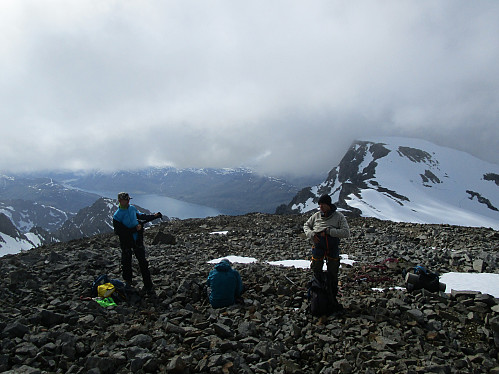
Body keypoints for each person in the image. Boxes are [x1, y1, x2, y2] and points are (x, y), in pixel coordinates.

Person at [303, 194, 350, 312]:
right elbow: (306, 226)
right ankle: (316, 297)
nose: (321, 207)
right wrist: (312, 235)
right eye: (319, 205)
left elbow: (346, 232)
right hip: (318, 247)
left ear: (328, 205)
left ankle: (331, 298)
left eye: (323, 205)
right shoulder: (316, 216)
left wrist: (329, 232)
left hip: (333, 248)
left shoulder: (338, 217)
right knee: (316, 272)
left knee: (333, 274)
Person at [112, 192, 162, 295]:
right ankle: (128, 284)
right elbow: (119, 231)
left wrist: (154, 216)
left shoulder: (132, 208)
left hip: (137, 239)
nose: (129, 201)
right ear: (120, 201)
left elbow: (141, 216)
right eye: (126, 200)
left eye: (129, 199)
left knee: (143, 262)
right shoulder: (117, 216)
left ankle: (148, 285)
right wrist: (134, 229)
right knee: (126, 262)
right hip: (126, 241)